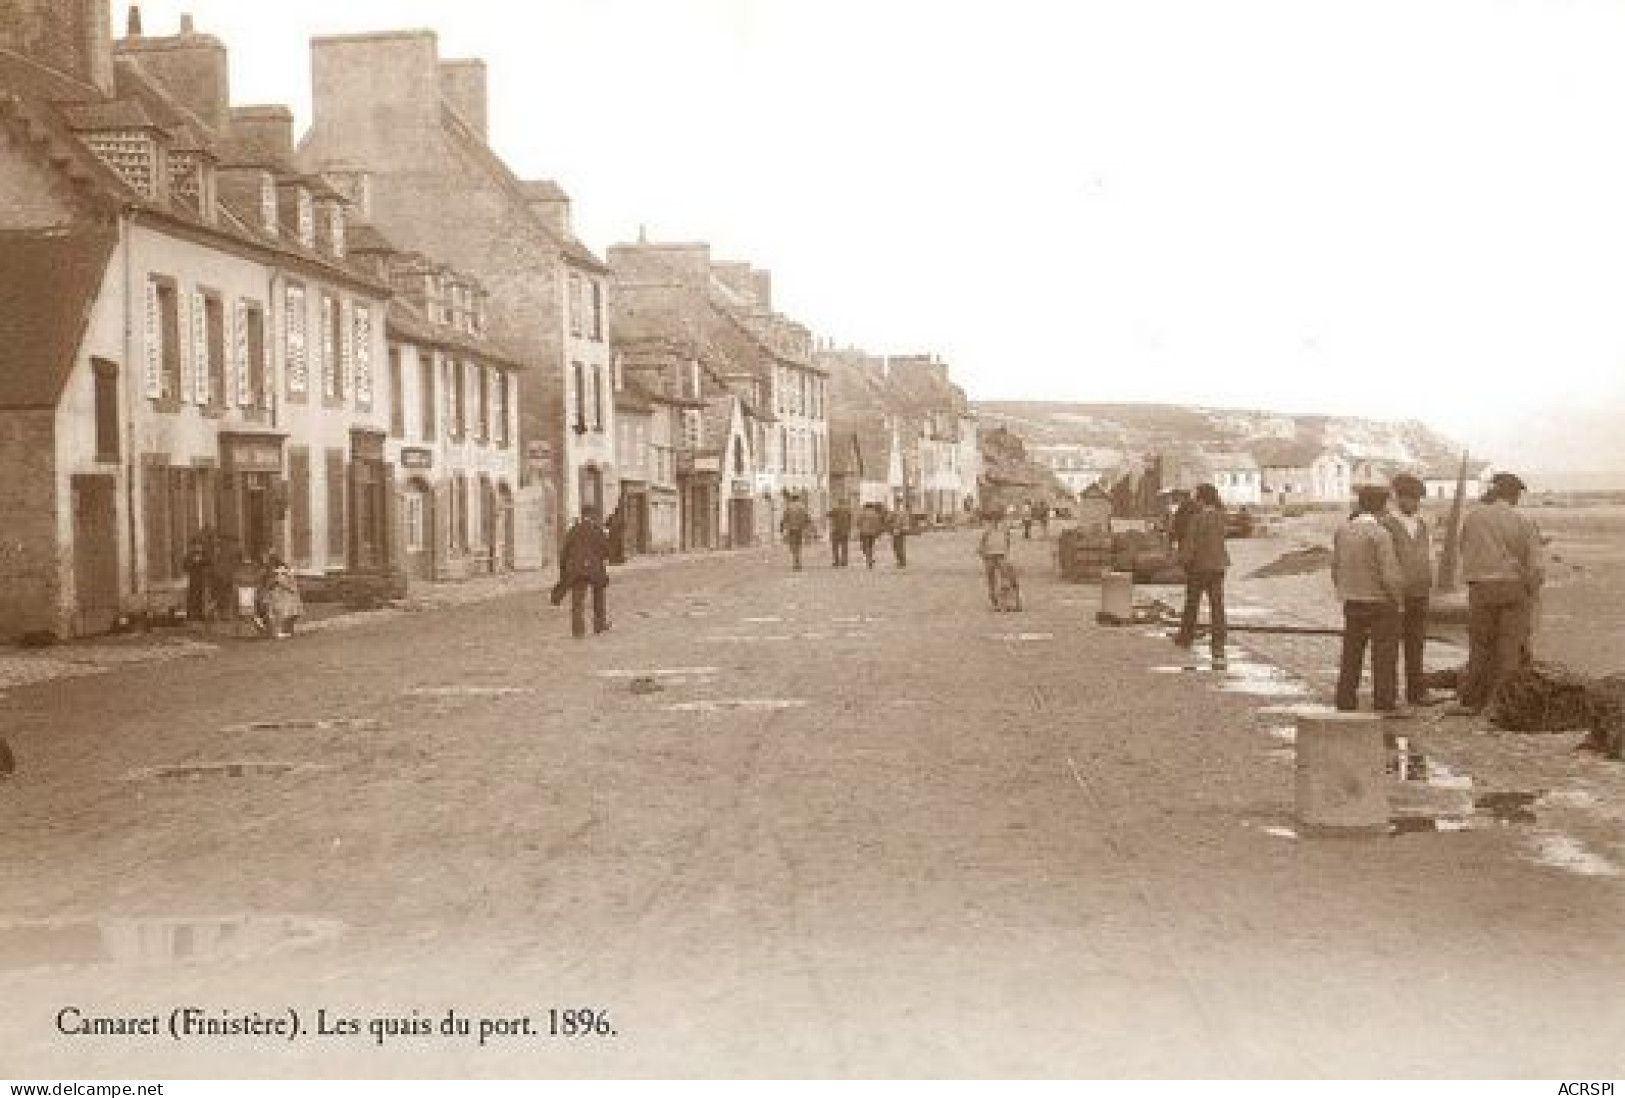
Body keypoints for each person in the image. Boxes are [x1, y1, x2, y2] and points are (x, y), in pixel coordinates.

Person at [1447, 472, 1544, 717]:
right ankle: (1501, 704)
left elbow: (1463, 549)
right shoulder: (1523, 521)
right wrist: (1532, 590)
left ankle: (1471, 702)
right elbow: (1535, 564)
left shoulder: (1473, 518)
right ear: (1514, 495)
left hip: (1480, 588)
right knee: (1509, 648)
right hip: (1512, 588)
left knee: (1480, 645)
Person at [1332, 484, 1406, 713]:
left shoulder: (1343, 531)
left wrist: (1344, 588)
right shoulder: (1380, 534)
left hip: (1352, 599)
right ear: (1381, 507)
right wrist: (1399, 601)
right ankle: (1384, 701)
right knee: (1384, 654)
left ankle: (1345, 698)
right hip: (1379, 602)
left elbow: (1335, 567)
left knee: (1351, 652)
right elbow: (1389, 574)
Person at [1382, 473, 1440, 706]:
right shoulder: (1386, 525)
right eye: (1409, 499)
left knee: (1416, 643)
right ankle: (1390, 694)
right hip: (1395, 595)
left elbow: (1430, 556)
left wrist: (1430, 583)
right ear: (1397, 497)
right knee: (1391, 645)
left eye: (1417, 499)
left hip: (1420, 592)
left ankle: (1416, 693)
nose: (1414, 504)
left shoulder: (1423, 525)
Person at [1172, 483, 1230, 668]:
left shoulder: (1197, 519)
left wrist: (1181, 562)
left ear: (1202, 499)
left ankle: (1185, 638)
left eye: (1197, 497)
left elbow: (1190, 545)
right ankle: (1218, 645)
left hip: (1199, 568)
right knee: (1217, 606)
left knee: (1192, 604)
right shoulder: (1221, 518)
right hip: (1218, 567)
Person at [558, 506, 612, 639]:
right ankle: (599, 625)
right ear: (593, 515)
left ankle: (578, 631)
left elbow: (564, 551)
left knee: (577, 601)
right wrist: (600, 557)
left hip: (577, 570)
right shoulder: (597, 530)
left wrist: (564, 568)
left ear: (582, 515)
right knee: (599, 597)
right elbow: (607, 550)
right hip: (595, 569)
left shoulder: (574, 530)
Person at [258, 553, 303, 639]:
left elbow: (280, 582)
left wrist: (276, 583)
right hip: (283, 595)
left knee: (280, 613)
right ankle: (284, 631)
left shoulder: (278, 571)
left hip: (281, 595)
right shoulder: (281, 571)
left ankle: (281, 631)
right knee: (285, 613)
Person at [977, 510, 1013, 609]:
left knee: (1004, 577)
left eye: (997, 518)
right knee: (991, 577)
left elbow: (1008, 540)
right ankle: (994, 598)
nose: (995, 520)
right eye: (993, 518)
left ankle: (1004, 600)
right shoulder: (987, 528)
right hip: (990, 555)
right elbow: (983, 540)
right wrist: (982, 551)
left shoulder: (1004, 528)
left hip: (1000, 554)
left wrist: (1006, 551)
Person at [183, 528, 214, 624]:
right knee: (192, 596)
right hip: (193, 579)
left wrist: (201, 561)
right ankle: (191, 615)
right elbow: (185, 566)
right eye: (196, 545)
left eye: (199, 545)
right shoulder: (189, 555)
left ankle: (200, 614)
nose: (198, 547)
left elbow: (209, 562)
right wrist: (194, 562)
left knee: (201, 596)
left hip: (201, 578)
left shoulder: (204, 554)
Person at [780, 493, 812, 571]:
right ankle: (798, 561)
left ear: (792, 498)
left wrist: (782, 527)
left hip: (791, 529)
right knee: (798, 545)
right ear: (798, 498)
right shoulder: (802, 507)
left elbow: (784, 518)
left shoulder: (789, 507)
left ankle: (795, 561)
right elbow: (807, 518)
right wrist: (807, 527)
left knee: (793, 546)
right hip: (800, 529)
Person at [856, 503, 885, 569]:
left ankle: (869, 559)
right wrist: (878, 533)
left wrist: (859, 529)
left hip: (864, 532)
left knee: (865, 546)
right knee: (871, 546)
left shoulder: (862, 514)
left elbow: (858, 522)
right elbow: (878, 524)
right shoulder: (876, 514)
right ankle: (870, 558)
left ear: (866, 507)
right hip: (873, 533)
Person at [827, 499, 853, 567]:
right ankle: (844, 561)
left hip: (836, 530)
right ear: (844, 503)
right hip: (845, 531)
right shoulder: (848, 511)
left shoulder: (835, 509)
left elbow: (828, 514)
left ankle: (836, 561)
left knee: (835, 547)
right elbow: (850, 520)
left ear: (839, 503)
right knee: (844, 547)